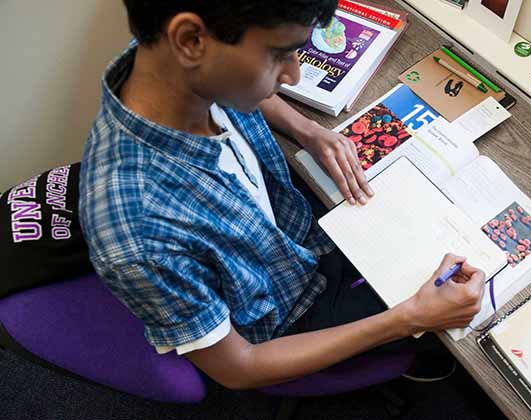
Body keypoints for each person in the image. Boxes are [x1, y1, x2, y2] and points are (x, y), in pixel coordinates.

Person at [80, 0, 486, 389]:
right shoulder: (139, 234)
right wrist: (409, 319)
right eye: (279, 55)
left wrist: (306, 129)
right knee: (480, 300)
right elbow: (239, 368)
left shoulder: (163, 58)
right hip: (289, 316)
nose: (293, 76)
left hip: (293, 229)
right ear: (191, 40)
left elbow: (238, 82)